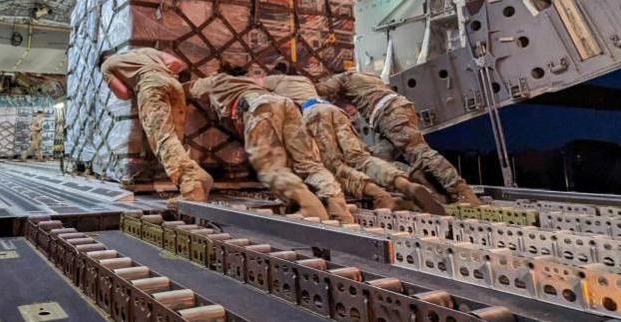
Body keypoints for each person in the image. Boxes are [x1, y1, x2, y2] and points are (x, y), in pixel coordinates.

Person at [264, 71, 446, 214]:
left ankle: (379, 195)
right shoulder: (303, 81)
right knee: (361, 158)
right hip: (332, 110)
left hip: (312, 114)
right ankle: (404, 184)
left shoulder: (275, 81)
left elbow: (255, 90)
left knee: (334, 166)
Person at [188, 65, 348, 222]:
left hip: (260, 108)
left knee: (270, 168)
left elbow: (188, 89)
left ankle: (310, 207)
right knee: (309, 164)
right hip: (286, 104)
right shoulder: (250, 82)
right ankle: (339, 209)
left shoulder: (216, 80)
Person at [317, 71, 480, 205]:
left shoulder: (344, 78)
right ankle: (427, 191)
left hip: (389, 115)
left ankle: (462, 192)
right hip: (397, 112)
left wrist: (304, 85)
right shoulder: (368, 75)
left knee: (420, 153)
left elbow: (322, 90)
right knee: (378, 160)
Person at [100, 48, 212, 201]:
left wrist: (141, 84)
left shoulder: (106, 64)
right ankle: (197, 179)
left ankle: (192, 186)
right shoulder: (144, 51)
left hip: (151, 87)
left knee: (163, 138)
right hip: (174, 84)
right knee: (174, 139)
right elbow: (176, 63)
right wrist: (160, 74)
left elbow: (123, 93)